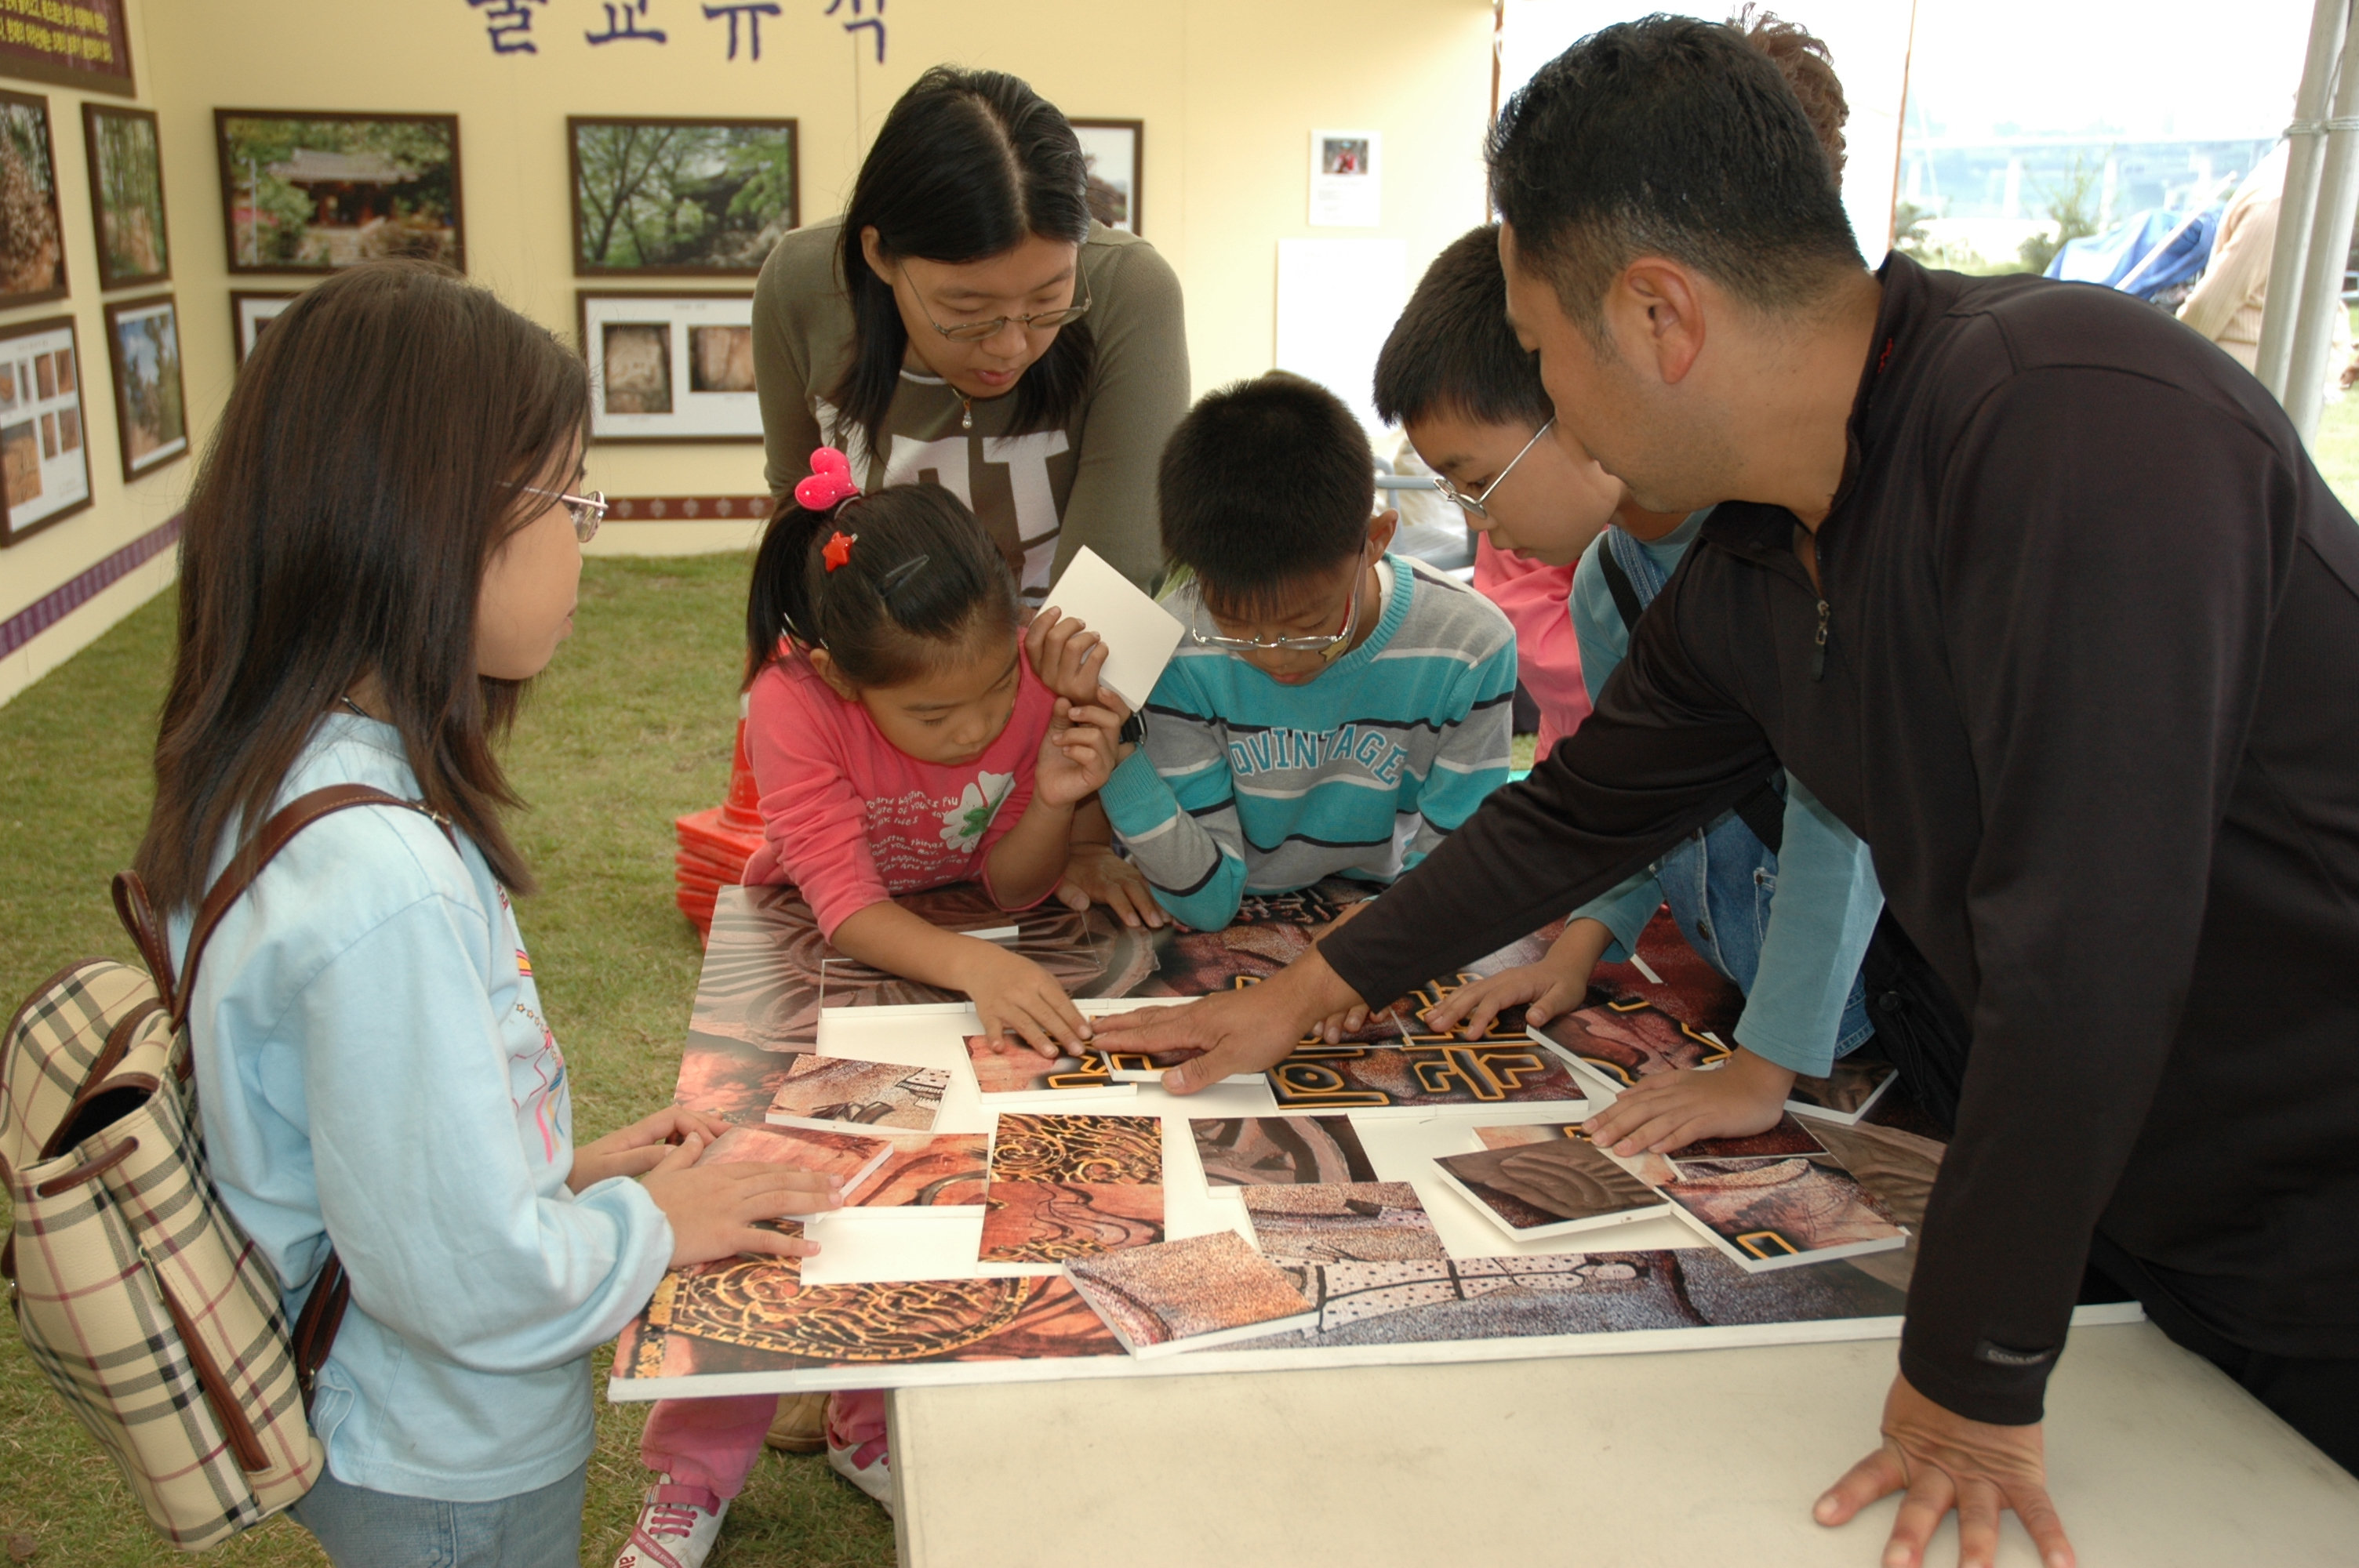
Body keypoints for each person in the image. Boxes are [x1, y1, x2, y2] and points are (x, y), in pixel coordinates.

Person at [1098, 16, 2359, 1567]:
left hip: (2313, 1176)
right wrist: (1305, 990)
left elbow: (2085, 953)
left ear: (1655, 314)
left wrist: (1965, 1385)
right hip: (2123, 1187)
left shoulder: (2079, 424)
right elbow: (1579, 809)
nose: (1544, 396)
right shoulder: (1755, 550)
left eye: (1540, 350)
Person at [140, 262, 838, 1568]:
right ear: (424, 524)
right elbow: (460, 1282)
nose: (588, 534)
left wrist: (562, 1174)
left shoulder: (281, 783)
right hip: (441, 1454)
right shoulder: (379, 880)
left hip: (379, 1407)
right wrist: (654, 1228)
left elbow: (352, 1164)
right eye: (567, 499)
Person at [1383, 5, 1884, 1149]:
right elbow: (1623, 801)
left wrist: (1767, 1064)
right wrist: (1581, 944)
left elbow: (1838, 831)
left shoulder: (1800, 538)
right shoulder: (1614, 579)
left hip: (1839, 1024)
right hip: (1752, 1000)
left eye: (1475, 476)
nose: (1476, 517)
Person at [617, 461, 1128, 1563]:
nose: (978, 724)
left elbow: (1012, 888)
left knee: (932, 1190)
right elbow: (845, 904)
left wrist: (1051, 797)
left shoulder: (1028, 668)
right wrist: (977, 971)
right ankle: (690, 1480)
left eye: (997, 693)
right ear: (839, 678)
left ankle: (865, 1422)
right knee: (773, 1198)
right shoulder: (786, 701)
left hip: (956, 940)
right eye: (935, 713)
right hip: (815, 943)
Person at [753, 65, 1183, 931]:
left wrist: (1086, 831)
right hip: (887, 713)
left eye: (1047, 300)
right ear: (878, 255)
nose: (1011, 344)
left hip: (1065, 721)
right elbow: (795, 510)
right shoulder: (802, 287)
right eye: (966, 309)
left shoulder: (1131, 289)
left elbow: (1119, 574)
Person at [1096, 372, 1515, 949]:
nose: (1275, 657)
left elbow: (1459, 869)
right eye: (1237, 626)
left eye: (1308, 624)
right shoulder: (1181, 645)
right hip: (1233, 916)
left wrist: (1380, 938)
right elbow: (1207, 900)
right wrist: (1121, 765)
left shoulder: (1466, 646)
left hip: (1393, 906)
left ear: (1376, 539)